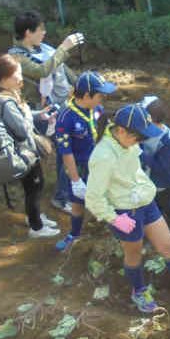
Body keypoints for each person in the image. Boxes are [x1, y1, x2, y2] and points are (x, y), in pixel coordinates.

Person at [85, 104, 170, 313]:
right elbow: (93, 197)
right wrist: (113, 218)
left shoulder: (127, 141)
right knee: (134, 255)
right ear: (121, 131)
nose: (140, 142)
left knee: (169, 248)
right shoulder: (103, 156)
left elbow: (134, 170)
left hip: (145, 203)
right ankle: (139, 291)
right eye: (137, 138)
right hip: (124, 212)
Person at [9, 10, 85, 214]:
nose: (44, 32)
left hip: (62, 107)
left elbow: (64, 70)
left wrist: (82, 85)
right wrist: (64, 47)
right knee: (67, 149)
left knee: (69, 149)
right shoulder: (16, 56)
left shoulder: (44, 47)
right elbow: (42, 70)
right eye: (40, 29)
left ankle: (66, 189)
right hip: (40, 111)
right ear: (28, 32)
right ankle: (61, 197)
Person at [0, 54, 60, 238]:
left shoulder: (1, 97)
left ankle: (34, 217)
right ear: (5, 78)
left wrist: (39, 114)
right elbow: (22, 130)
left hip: (19, 151)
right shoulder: (5, 101)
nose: (21, 78)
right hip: (23, 152)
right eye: (17, 74)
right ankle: (36, 227)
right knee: (35, 187)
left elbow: (21, 117)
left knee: (32, 187)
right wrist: (27, 114)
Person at [54, 71, 116, 252]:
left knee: (107, 197)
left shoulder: (97, 109)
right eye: (99, 95)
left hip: (99, 163)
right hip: (79, 166)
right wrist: (75, 180)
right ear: (87, 96)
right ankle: (74, 233)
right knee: (77, 203)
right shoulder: (66, 117)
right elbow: (66, 152)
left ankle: (110, 229)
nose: (102, 99)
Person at [139, 96, 170, 248]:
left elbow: (162, 168)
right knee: (150, 210)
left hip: (164, 185)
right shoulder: (144, 131)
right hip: (147, 182)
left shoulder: (168, 141)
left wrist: (141, 154)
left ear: (153, 119)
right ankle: (151, 237)